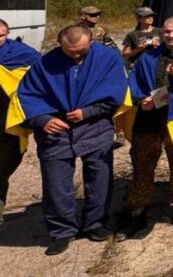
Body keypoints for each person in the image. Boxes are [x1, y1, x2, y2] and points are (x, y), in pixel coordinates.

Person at [18, 26, 128, 255]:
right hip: (56, 130)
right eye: (70, 52)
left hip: (94, 125)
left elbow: (116, 93)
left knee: (99, 178)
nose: (76, 55)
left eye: (81, 51)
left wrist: (88, 112)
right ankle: (62, 231)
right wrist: (42, 119)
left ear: (91, 42)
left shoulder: (107, 57)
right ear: (59, 44)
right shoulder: (44, 63)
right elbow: (26, 95)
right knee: (56, 183)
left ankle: (95, 223)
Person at [120, 16, 173, 236]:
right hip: (149, 119)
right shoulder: (148, 56)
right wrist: (138, 100)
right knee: (142, 164)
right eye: (168, 31)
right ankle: (138, 209)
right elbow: (133, 82)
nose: (171, 35)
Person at [0, 19, 41, 227]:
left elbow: (39, 75)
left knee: (1, 169)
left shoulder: (21, 53)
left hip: (6, 122)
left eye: (1, 35)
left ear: (7, 34)